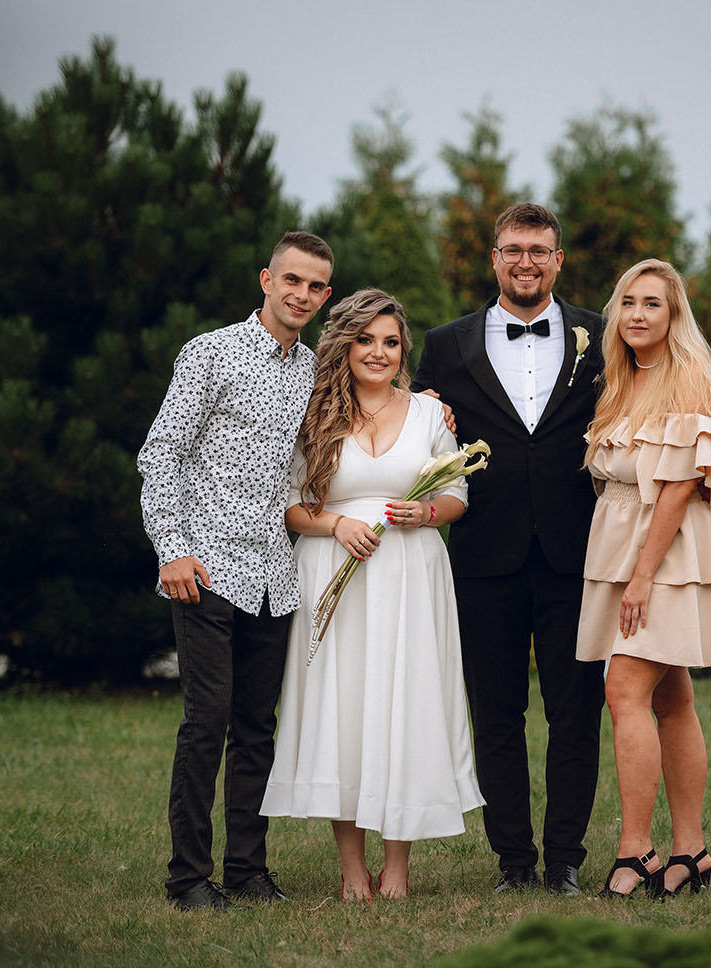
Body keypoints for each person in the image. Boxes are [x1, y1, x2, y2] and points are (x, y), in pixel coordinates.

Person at [262, 289, 484, 901]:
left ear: (403, 350)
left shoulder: (430, 415)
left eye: (390, 342)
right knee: (345, 709)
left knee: (406, 705)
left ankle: (399, 867)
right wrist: (336, 523)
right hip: (333, 571)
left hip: (412, 574)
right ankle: (353, 868)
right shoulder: (314, 414)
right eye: (365, 340)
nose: (379, 352)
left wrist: (427, 511)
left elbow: (458, 494)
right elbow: (291, 505)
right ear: (345, 344)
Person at [137, 231, 334, 912]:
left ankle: (248, 871)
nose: (301, 294)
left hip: (275, 573)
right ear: (266, 280)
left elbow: (370, 404)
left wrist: (430, 403)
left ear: (325, 295)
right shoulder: (210, 352)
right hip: (206, 566)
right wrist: (171, 548)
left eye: (315, 286)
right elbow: (160, 453)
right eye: (292, 280)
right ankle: (188, 878)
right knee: (207, 721)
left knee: (256, 727)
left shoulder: (313, 371)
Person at [412, 203, 605, 897]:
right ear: (494, 257)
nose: (526, 262)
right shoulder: (445, 344)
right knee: (495, 715)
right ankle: (513, 863)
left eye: (539, 251)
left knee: (575, 714)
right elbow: (418, 429)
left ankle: (565, 861)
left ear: (558, 260)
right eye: (513, 250)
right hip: (483, 556)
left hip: (577, 555)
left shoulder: (602, 336)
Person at [576, 258, 711, 899]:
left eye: (653, 304)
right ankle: (691, 851)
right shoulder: (620, 380)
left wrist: (642, 576)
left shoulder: (686, 376)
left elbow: (678, 488)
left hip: (664, 551)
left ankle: (635, 849)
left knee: (623, 689)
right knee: (672, 700)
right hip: (621, 543)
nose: (638, 314)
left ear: (675, 316)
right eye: (629, 302)